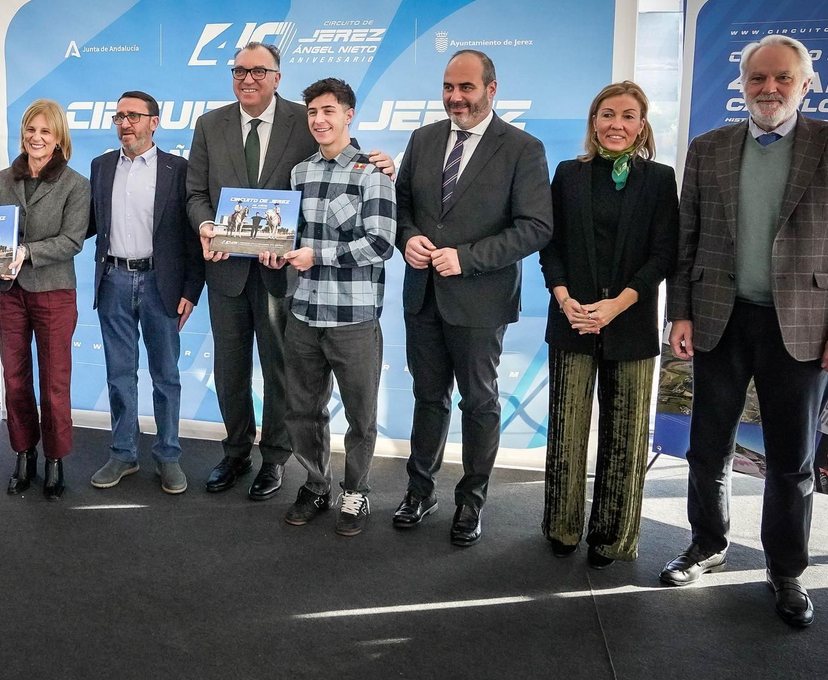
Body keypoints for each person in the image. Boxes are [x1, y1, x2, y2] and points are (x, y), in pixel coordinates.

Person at [665, 34, 828, 628]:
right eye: (757, 79)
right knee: (707, 447)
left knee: (792, 459)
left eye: (782, 78)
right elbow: (685, 241)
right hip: (720, 317)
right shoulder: (707, 149)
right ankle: (707, 545)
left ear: (805, 84)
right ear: (742, 85)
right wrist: (678, 311)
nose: (769, 89)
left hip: (807, 330)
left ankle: (786, 570)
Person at [185, 41, 393, 499]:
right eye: (240, 70)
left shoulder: (305, 119)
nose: (248, 79)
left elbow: (340, 154)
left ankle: (275, 459)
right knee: (230, 368)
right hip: (226, 272)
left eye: (259, 71)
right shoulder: (209, 124)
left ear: (277, 77)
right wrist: (205, 225)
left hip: (285, 276)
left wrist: (382, 161)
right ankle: (236, 450)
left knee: (282, 372)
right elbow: (196, 190)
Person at [390, 49, 552, 546]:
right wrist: (408, 237)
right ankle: (421, 491)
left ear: (491, 89)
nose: (455, 97)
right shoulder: (422, 139)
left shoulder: (522, 147)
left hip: (480, 299)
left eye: (466, 88)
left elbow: (536, 227)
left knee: (479, 402)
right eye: (448, 87)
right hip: (423, 296)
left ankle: (471, 501)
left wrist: (467, 257)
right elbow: (401, 207)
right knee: (426, 398)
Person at [539, 81, 678, 567]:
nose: (616, 124)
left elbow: (664, 253)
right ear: (593, 121)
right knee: (566, 430)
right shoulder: (567, 175)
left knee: (626, 435)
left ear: (642, 126)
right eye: (607, 114)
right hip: (571, 320)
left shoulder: (660, 179)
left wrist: (617, 305)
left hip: (631, 323)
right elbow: (550, 247)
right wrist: (563, 297)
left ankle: (613, 538)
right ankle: (561, 528)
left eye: (628, 116)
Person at [276, 78, 396, 536]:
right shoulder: (300, 173)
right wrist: (276, 250)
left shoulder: (373, 172)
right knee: (303, 411)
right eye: (312, 113)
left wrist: (317, 256)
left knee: (360, 414)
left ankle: (358, 491)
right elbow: (291, 238)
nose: (319, 120)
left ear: (349, 114)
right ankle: (316, 484)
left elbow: (381, 244)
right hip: (303, 311)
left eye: (328, 111)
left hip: (354, 318)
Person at [87, 91, 205, 494]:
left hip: (162, 284)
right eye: (119, 116)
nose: (125, 124)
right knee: (119, 376)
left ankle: (168, 456)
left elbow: (192, 236)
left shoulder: (179, 169)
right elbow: (85, 222)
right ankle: (123, 454)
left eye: (134, 116)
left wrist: (192, 289)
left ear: (154, 122)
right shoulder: (101, 166)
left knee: (166, 376)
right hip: (114, 280)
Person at [0, 100, 90, 501]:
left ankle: (55, 459)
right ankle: (23, 454)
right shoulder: (0, 180)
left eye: (46, 132)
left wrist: (26, 253)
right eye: (31, 129)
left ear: (59, 137)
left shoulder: (75, 183)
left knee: (54, 383)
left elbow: (72, 241)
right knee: (13, 379)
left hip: (54, 291)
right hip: (7, 291)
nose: (37, 138)